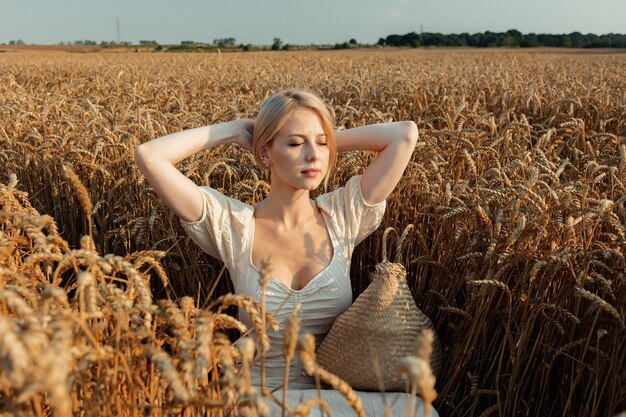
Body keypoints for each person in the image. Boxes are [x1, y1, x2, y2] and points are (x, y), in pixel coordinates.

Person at [135, 89, 438, 417]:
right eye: (295, 144)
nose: (313, 156)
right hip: (253, 398)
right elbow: (150, 156)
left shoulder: (343, 216)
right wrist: (237, 130)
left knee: (419, 411)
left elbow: (404, 135)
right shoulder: (234, 226)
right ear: (265, 154)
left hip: (329, 401)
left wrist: (319, 139)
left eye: (321, 144)